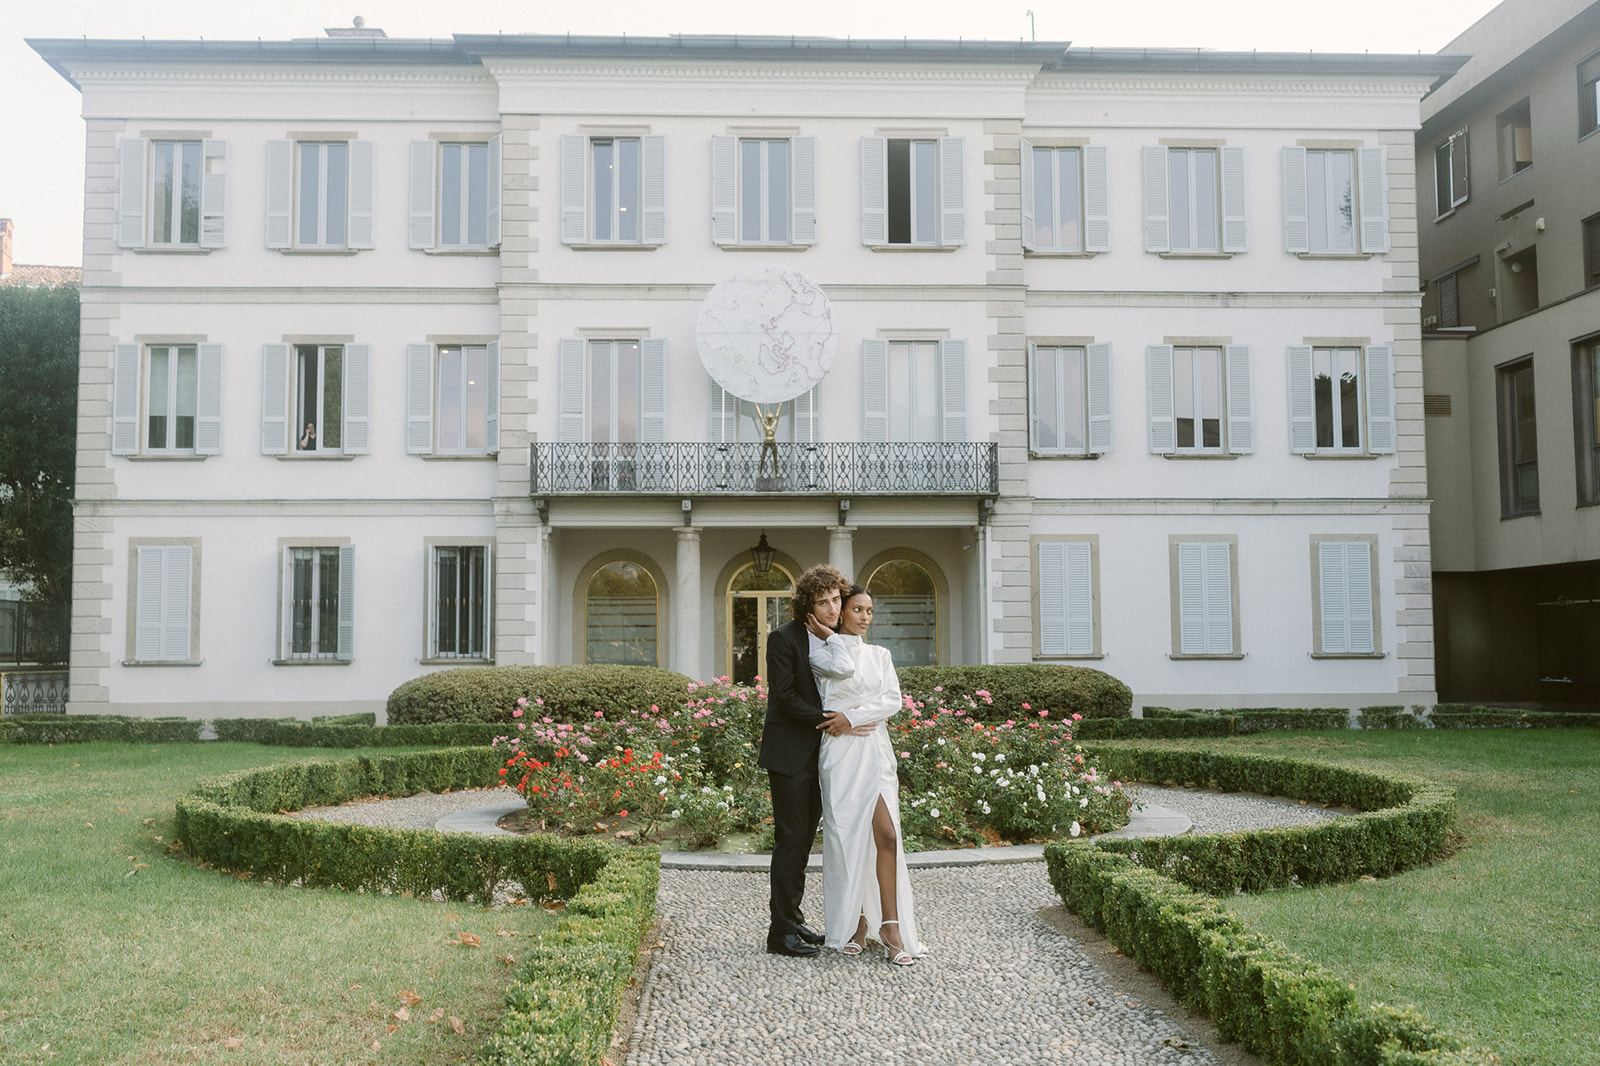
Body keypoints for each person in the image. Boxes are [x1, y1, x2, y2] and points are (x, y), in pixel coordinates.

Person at [808, 585, 924, 965]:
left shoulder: (881, 655)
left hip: (874, 748)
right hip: (841, 752)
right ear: (841, 612)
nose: (864, 617)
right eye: (857, 609)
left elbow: (893, 700)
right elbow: (836, 680)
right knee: (846, 836)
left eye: (869, 611)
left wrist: (852, 716)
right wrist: (828, 637)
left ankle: (890, 925)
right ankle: (855, 922)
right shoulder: (823, 653)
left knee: (887, 834)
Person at [758, 563, 857, 957]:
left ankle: (794, 920)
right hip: (789, 754)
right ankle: (779, 933)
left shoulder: (840, 637)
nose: (832, 608)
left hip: (824, 755)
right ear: (806, 605)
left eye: (836, 599)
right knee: (791, 841)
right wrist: (828, 720)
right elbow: (784, 697)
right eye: (823, 602)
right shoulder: (782, 639)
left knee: (803, 844)